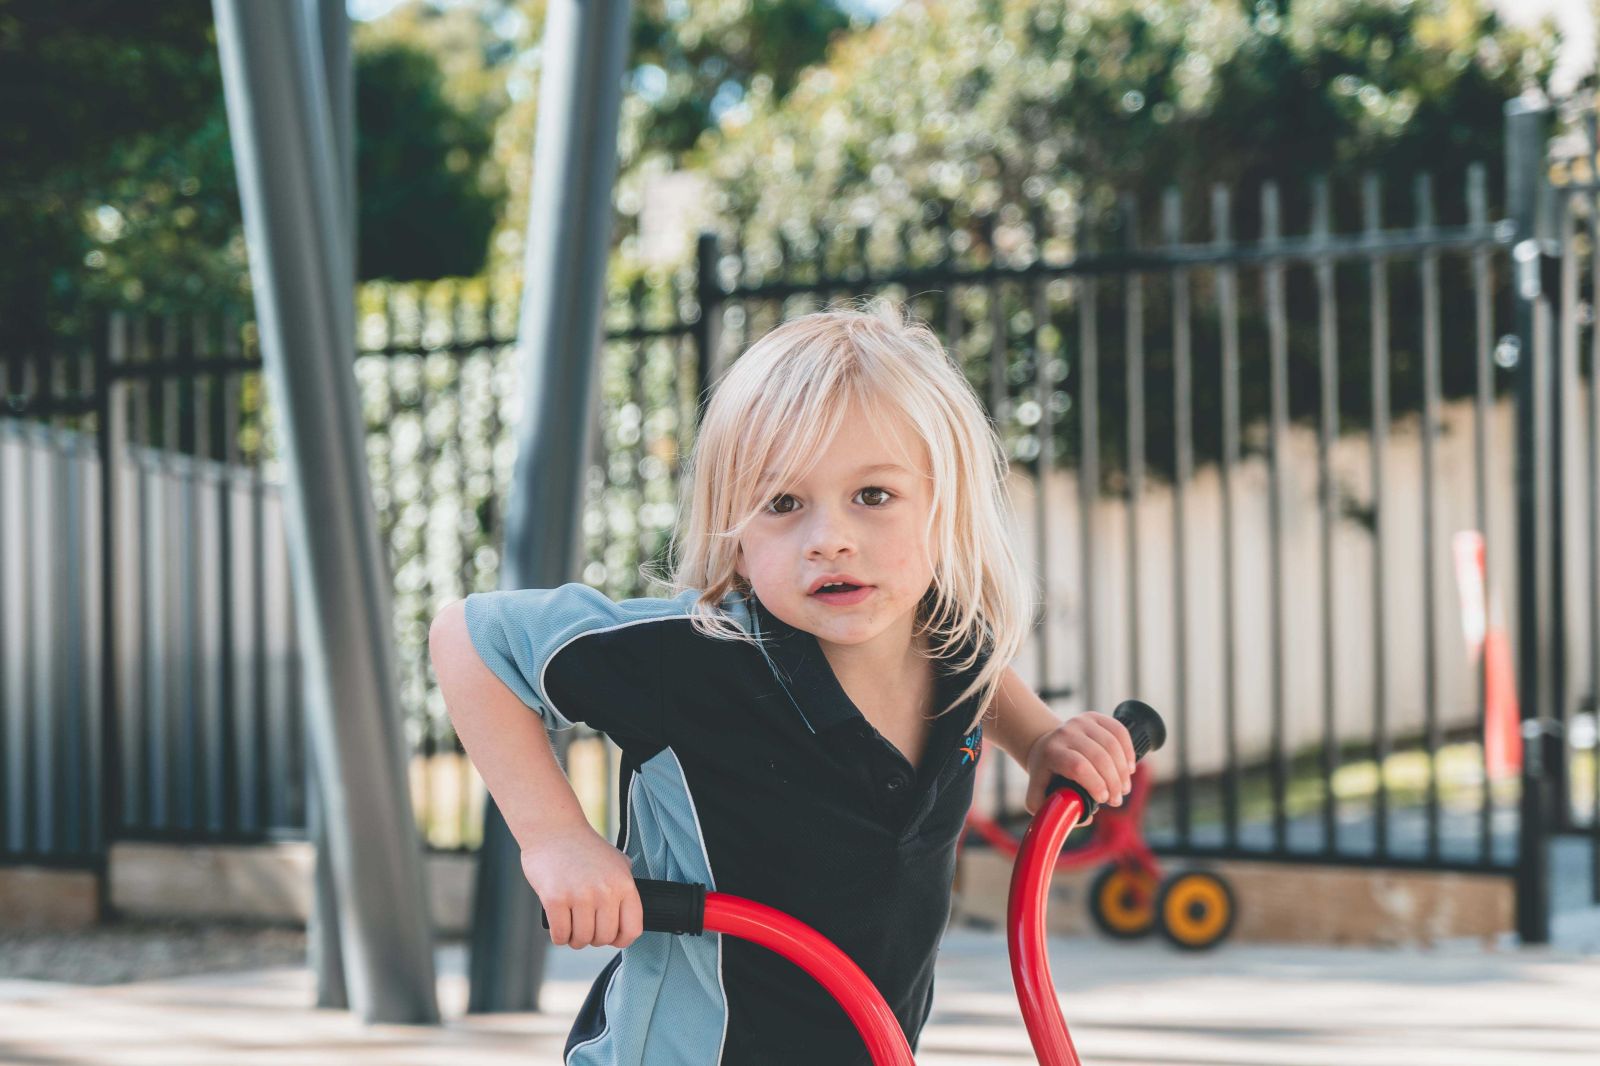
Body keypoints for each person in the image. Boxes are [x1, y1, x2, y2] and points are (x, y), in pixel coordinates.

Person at [428, 297, 1138, 1065]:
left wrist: (1040, 741)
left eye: (873, 496)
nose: (829, 539)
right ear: (735, 537)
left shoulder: (952, 637)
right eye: (783, 503)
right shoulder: (696, 659)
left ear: (946, 511)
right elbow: (469, 638)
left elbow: (978, 673)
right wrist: (557, 841)